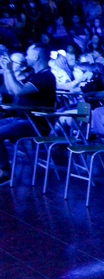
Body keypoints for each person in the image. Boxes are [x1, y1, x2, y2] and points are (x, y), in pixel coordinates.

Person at [0, 44, 56, 184]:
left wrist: (9, 71)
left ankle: (5, 172)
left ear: (36, 57)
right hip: (23, 119)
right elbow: (11, 90)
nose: (26, 57)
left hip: (36, 124)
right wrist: (7, 71)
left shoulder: (45, 77)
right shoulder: (36, 75)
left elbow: (19, 91)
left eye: (28, 54)